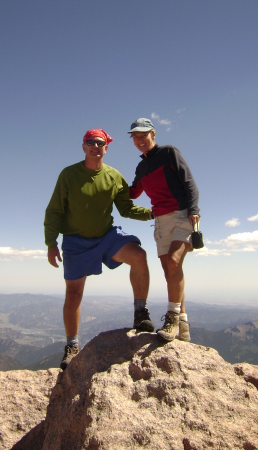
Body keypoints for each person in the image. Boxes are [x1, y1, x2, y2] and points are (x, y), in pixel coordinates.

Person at [44, 128, 155, 370]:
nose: (95, 146)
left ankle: (140, 312)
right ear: (83, 147)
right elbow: (54, 211)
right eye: (91, 142)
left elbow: (125, 209)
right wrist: (51, 243)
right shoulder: (69, 175)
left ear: (106, 147)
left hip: (106, 236)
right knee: (73, 294)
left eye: (100, 143)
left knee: (139, 255)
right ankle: (72, 345)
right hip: (75, 241)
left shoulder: (114, 176)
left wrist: (150, 213)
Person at [128, 118, 200, 343]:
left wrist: (194, 208)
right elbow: (133, 193)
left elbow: (189, 182)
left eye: (143, 135)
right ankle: (183, 325)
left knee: (174, 262)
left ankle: (171, 319)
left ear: (153, 134)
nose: (140, 140)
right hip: (160, 221)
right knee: (171, 273)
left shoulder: (169, 153)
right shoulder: (141, 167)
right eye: (135, 137)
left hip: (181, 215)